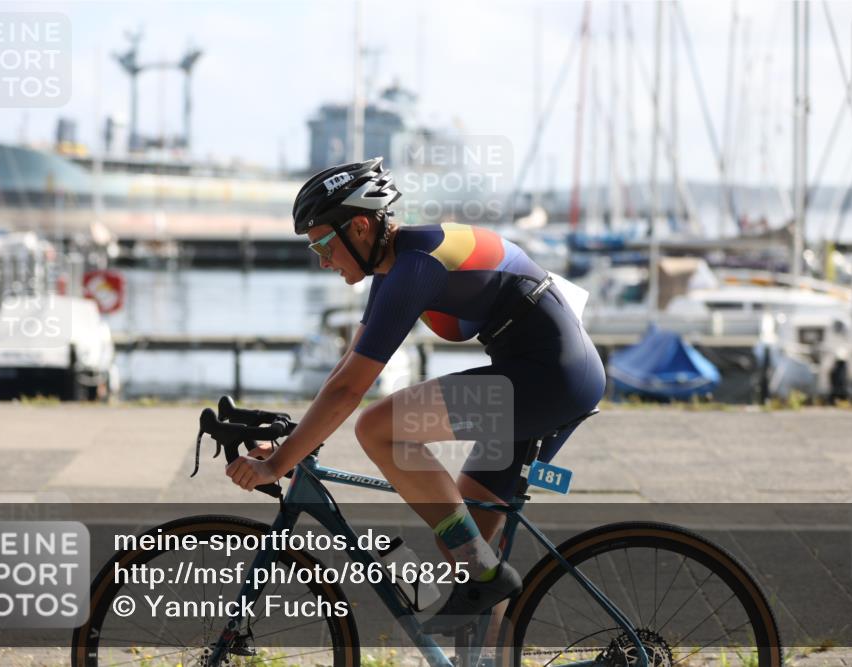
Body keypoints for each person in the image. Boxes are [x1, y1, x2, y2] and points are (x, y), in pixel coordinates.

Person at [226, 157, 606, 633]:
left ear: (360, 227)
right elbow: (345, 369)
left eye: (323, 243)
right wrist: (293, 444)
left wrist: (276, 466)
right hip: (538, 372)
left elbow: (350, 391)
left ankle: (486, 580)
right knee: (466, 543)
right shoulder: (393, 267)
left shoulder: (415, 266)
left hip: (551, 375)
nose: (322, 260)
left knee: (377, 428)